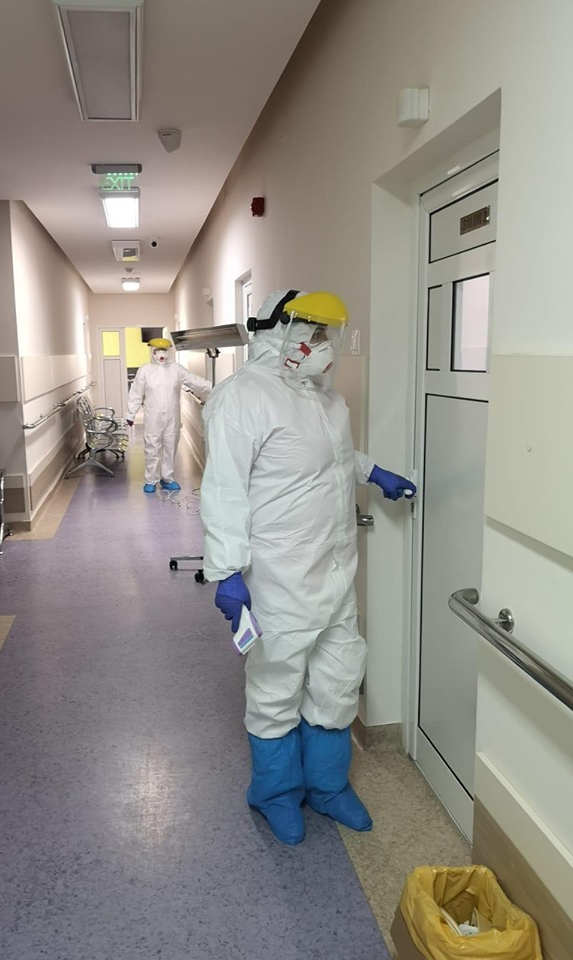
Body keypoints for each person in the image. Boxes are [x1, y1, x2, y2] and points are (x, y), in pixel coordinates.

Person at [200, 290, 416, 846]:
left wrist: (373, 471)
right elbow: (223, 490)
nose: (324, 347)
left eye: (329, 336)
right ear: (282, 332)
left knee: (339, 677)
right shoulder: (241, 398)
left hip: (335, 568)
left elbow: (328, 457)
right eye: (314, 333)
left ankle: (328, 787)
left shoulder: (327, 399)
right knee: (276, 685)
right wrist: (227, 572)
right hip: (278, 576)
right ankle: (274, 793)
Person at [126, 337, 212, 493]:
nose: (161, 354)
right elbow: (136, 393)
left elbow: (194, 381)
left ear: (169, 351)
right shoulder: (145, 370)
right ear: (151, 351)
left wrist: (215, 387)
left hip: (172, 417)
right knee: (152, 447)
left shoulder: (176, 369)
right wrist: (131, 414)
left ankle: (167, 479)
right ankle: (150, 480)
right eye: (157, 350)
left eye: (164, 350)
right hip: (153, 417)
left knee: (170, 446)